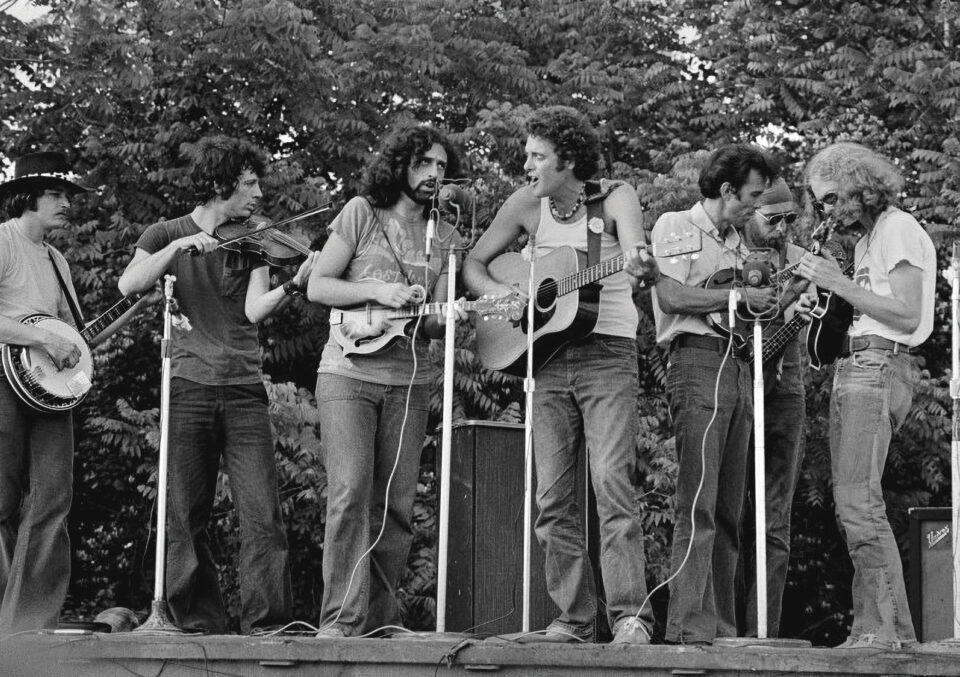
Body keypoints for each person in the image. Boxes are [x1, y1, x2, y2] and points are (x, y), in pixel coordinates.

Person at [463, 105, 658, 644]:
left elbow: (638, 249)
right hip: (544, 358)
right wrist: (502, 294)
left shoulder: (614, 196)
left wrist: (643, 261)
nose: (525, 164)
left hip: (608, 353)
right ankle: (575, 618)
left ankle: (629, 618)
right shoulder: (526, 204)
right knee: (551, 498)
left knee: (612, 485)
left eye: (536, 156)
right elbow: (474, 265)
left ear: (567, 159)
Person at [118, 135, 315, 634]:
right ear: (219, 184)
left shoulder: (253, 239)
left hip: (244, 387)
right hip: (188, 385)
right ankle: (196, 621)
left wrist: (293, 284)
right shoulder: (165, 232)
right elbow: (129, 284)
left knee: (262, 514)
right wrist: (181, 247)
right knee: (185, 513)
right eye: (249, 183)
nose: (258, 195)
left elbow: (253, 309)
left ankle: (267, 624)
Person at [307, 124, 462, 638]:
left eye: (441, 166)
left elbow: (436, 321)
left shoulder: (446, 236)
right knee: (349, 494)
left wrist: (460, 313)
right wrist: (379, 290)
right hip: (347, 374)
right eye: (424, 163)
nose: (433, 174)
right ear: (399, 165)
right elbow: (318, 285)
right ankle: (339, 620)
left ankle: (379, 620)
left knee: (396, 504)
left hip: (410, 379)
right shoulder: (360, 212)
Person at [795, 142, 935, 649]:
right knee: (852, 503)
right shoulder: (868, 240)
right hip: (859, 364)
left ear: (859, 186)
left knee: (859, 504)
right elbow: (868, 306)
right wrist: (828, 311)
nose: (827, 210)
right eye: (821, 202)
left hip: (879, 366)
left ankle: (888, 631)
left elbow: (906, 313)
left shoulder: (897, 227)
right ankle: (872, 629)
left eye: (832, 198)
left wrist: (835, 281)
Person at [0, 151, 105, 632]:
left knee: (53, 497)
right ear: (26, 197)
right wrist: (43, 339)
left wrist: (76, 354)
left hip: (47, 390)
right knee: (0, 500)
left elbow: (68, 333)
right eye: (57, 194)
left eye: (68, 196)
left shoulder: (57, 259)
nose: (67, 203)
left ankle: (31, 624)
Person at [651, 144, 778, 645]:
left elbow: (749, 307)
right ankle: (687, 627)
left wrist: (772, 297)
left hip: (740, 364)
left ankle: (721, 627)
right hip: (697, 361)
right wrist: (738, 295)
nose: (755, 206)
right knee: (698, 501)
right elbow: (672, 295)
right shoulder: (674, 225)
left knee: (730, 507)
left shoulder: (739, 240)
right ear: (726, 190)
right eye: (751, 196)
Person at [735, 178, 809, 637]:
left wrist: (812, 308)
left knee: (775, 519)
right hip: (736, 382)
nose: (783, 229)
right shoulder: (727, 254)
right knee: (728, 513)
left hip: (786, 388)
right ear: (747, 213)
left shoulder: (803, 261)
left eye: (790, 219)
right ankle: (725, 630)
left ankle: (765, 634)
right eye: (773, 219)